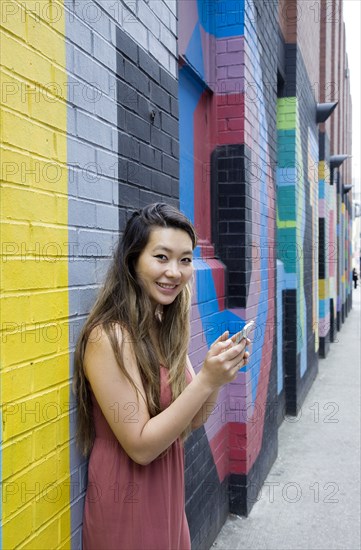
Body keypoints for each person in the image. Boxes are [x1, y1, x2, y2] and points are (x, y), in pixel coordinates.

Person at [73, 203, 250, 550]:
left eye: (185, 260)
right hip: (126, 500)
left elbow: (192, 418)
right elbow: (140, 447)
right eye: (161, 257)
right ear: (132, 261)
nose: (175, 271)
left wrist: (215, 377)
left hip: (166, 493)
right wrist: (205, 381)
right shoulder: (108, 337)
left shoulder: (161, 327)